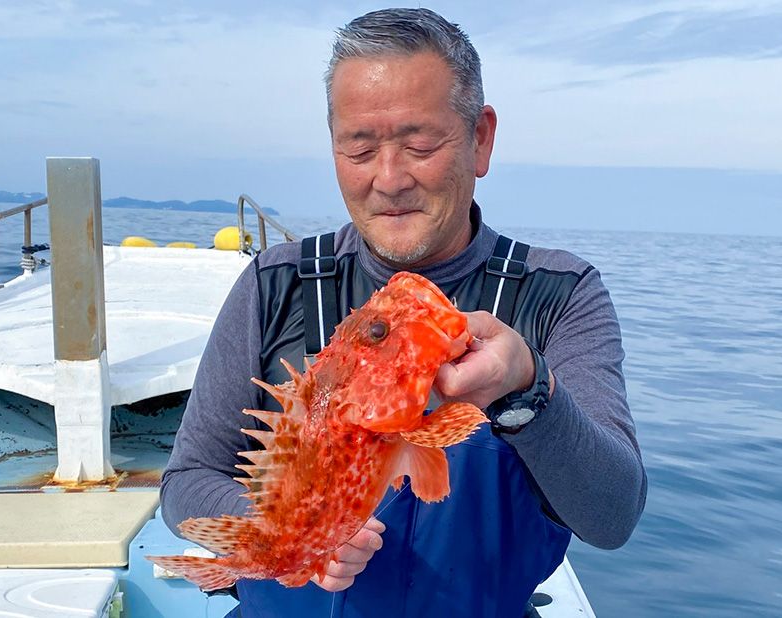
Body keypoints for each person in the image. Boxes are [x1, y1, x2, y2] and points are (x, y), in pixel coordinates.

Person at [161, 8, 647, 618]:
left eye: (420, 144)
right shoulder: (274, 284)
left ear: (481, 139)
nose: (389, 179)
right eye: (359, 149)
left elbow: (613, 516)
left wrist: (528, 389)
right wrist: (287, 534)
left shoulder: (560, 295)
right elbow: (184, 482)